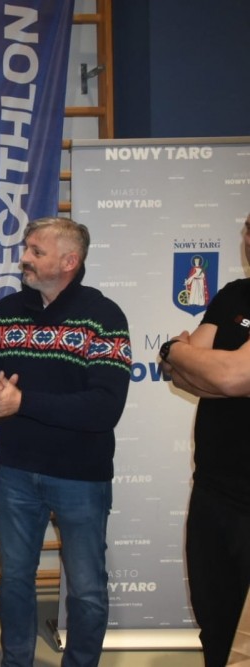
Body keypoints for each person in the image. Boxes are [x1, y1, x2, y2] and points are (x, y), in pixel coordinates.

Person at [0, 217, 132, 667]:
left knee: (87, 588)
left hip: (81, 478)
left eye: (36, 251)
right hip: (16, 471)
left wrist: (23, 402)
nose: (25, 259)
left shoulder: (104, 317)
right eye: (26, 249)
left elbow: (104, 407)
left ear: (69, 261)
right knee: (15, 580)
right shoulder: (8, 310)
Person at [160, 213, 250, 667]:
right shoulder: (234, 294)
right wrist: (193, 364)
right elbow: (183, 376)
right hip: (214, 490)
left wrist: (175, 349)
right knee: (215, 624)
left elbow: (231, 376)